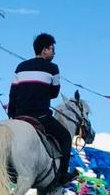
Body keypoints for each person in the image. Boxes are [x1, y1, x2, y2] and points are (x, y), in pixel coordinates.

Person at [7, 33, 78, 185]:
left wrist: (12, 116)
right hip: (41, 116)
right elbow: (54, 93)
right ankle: (62, 175)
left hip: (19, 117)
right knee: (65, 137)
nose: (54, 53)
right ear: (44, 50)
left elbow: (12, 94)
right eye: (52, 49)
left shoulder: (20, 67)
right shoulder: (53, 68)